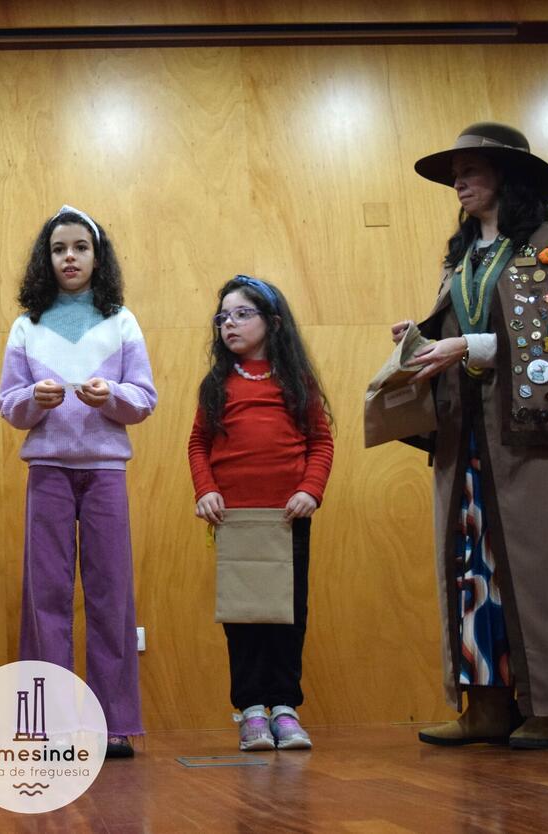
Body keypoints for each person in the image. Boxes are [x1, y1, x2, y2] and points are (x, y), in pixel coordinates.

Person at [393, 122, 548, 749]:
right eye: (456, 174)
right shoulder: (463, 258)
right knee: (473, 569)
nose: (459, 182)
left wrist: (466, 346)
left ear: (509, 175)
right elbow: (473, 327)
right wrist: (424, 339)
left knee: (543, 569)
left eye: (471, 169)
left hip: (536, 440)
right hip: (468, 439)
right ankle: (485, 707)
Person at [0, 205, 157, 758]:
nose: (69, 257)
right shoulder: (27, 325)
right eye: (59, 249)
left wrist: (110, 396)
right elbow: (8, 405)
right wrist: (31, 400)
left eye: (80, 248)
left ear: (97, 256)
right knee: (45, 595)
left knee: (112, 594)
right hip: (48, 471)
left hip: (105, 473)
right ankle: (50, 725)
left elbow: (144, 398)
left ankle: (114, 724)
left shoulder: (122, 321)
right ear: (46, 259)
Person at [188, 275, 333, 751]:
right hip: (236, 521)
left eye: (242, 314)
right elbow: (198, 444)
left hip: (288, 520)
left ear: (273, 322)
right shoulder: (217, 384)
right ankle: (251, 710)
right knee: (243, 616)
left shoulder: (297, 382)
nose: (229, 324)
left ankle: (285, 708)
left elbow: (321, 442)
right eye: (223, 317)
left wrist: (310, 490)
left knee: (289, 614)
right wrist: (206, 490)